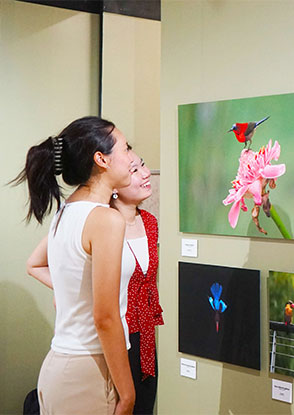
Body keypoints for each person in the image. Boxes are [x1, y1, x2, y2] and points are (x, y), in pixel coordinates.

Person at [17, 116, 136, 414]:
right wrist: (128, 393)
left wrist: (71, 293)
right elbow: (105, 317)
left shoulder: (66, 213)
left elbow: (41, 265)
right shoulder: (106, 220)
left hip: (61, 367)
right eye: (126, 148)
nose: (132, 158)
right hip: (89, 371)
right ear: (101, 159)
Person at [111, 151, 163, 414]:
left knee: (144, 406)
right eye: (134, 170)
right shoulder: (104, 224)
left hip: (146, 339)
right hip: (115, 337)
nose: (145, 173)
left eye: (143, 164)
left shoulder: (151, 223)